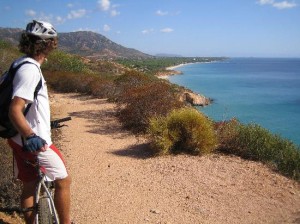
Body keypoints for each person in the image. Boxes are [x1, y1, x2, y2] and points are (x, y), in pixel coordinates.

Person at [7, 20, 72, 224]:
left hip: (17, 138)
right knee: (63, 180)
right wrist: (31, 134)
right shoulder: (31, 70)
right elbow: (15, 109)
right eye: (53, 41)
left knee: (29, 183)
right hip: (32, 141)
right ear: (45, 45)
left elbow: (27, 107)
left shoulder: (19, 63)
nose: (55, 44)